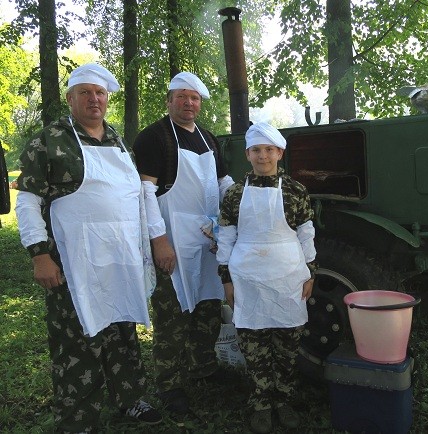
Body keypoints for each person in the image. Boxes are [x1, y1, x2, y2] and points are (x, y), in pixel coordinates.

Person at [14, 63, 162, 432]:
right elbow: (28, 200)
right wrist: (40, 254)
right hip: (73, 261)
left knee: (122, 331)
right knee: (77, 340)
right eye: (85, 92)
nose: (94, 99)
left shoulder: (116, 139)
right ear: (70, 98)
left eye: (99, 93)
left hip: (120, 258)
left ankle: (130, 399)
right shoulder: (47, 140)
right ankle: (79, 418)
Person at [132, 71, 235, 417]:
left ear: (200, 103)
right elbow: (147, 191)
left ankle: (203, 366)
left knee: (207, 308)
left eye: (194, 98)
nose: (188, 104)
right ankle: (170, 385)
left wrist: (239, 204)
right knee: (172, 314)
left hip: (208, 240)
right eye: (182, 97)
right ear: (169, 100)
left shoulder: (208, 139)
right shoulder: (154, 137)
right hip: (172, 238)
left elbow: (222, 181)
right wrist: (159, 241)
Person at [216, 122, 318, 434]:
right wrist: (226, 279)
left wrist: (310, 272)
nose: (263, 156)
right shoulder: (234, 195)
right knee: (253, 343)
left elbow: (306, 235)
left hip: (288, 276)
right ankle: (260, 402)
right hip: (247, 277)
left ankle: (283, 399)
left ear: (280, 153)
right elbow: (225, 239)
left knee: (287, 342)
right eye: (257, 150)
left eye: (269, 150)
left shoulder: (296, 192)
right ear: (247, 154)